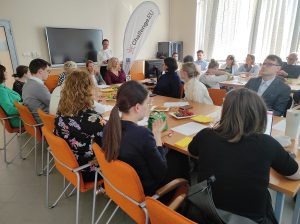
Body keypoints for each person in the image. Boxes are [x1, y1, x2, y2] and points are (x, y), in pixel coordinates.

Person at [188, 88, 300, 224]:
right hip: (249, 219)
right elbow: (295, 174)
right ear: (259, 114)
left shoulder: (206, 134)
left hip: (206, 211)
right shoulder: (267, 143)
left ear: (225, 112)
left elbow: (192, 151)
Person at [102, 80, 189, 196]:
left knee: (172, 155)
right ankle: (181, 198)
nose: (148, 107)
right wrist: (157, 135)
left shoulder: (109, 126)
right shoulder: (143, 134)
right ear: (137, 107)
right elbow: (161, 172)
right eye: (147, 104)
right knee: (180, 157)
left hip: (122, 186)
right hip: (146, 191)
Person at [54, 70, 106, 182]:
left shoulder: (62, 110)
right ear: (88, 90)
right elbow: (109, 147)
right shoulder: (93, 118)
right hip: (88, 170)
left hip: (69, 164)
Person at [22, 58, 51, 123]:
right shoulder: (38, 86)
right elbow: (52, 103)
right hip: (43, 120)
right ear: (40, 71)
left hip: (34, 118)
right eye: (48, 71)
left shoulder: (27, 83)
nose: (49, 74)